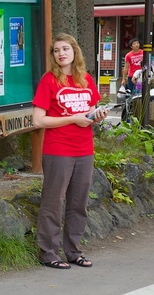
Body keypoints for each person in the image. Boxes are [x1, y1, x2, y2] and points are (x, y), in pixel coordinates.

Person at [32, 33, 110, 270]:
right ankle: (48, 252)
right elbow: (38, 120)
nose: (61, 53)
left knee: (79, 202)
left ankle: (73, 251)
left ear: (74, 51)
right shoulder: (49, 81)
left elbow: (90, 112)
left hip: (84, 149)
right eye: (56, 50)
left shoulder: (85, 79)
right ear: (53, 56)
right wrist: (72, 119)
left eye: (65, 49)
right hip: (58, 150)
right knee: (53, 202)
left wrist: (97, 116)